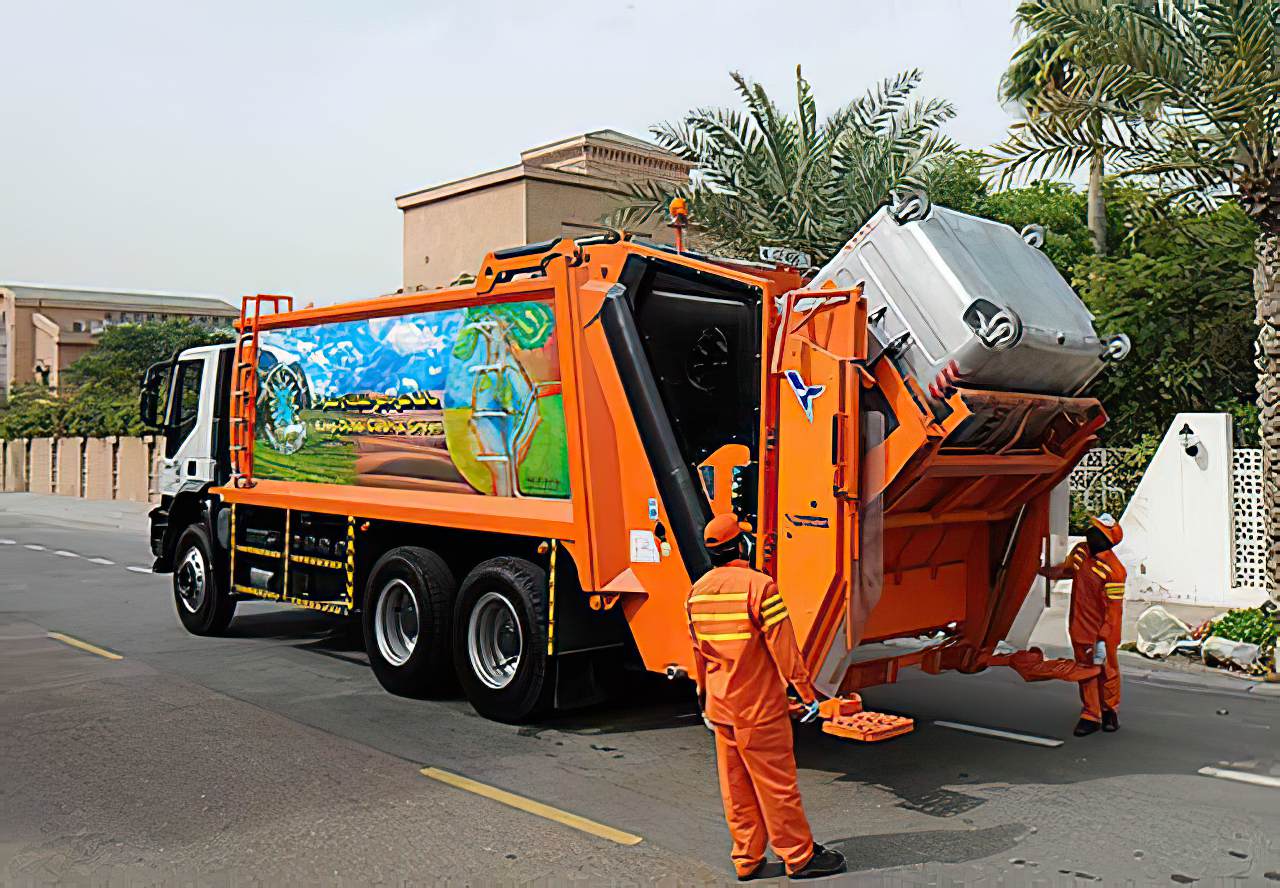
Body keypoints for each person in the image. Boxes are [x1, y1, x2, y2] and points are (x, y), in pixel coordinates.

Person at [685, 513, 847, 881]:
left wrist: (703, 698)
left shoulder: (697, 593)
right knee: (777, 784)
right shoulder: (760, 587)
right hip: (758, 709)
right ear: (741, 546)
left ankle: (747, 859)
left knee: (736, 787)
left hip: (721, 708)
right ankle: (799, 857)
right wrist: (807, 695)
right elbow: (785, 650)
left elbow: (699, 653)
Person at [1039, 513, 1127, 736]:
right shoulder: (1080, 551)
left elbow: (1114, 611)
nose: (1090, 533)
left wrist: (1104, 638)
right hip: (1079, 626)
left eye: (1096, 531)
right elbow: (1067, 570)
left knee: (1107, 671)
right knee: (1085, 671)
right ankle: (1091, 714)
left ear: (1106, 539)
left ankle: (1110, 711)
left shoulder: (1115, 571)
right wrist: (1043, 571)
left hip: (1103, 632)